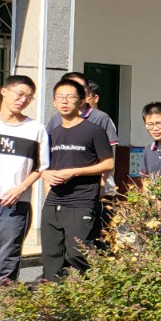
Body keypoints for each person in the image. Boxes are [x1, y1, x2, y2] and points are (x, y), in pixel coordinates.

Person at [38, 78, 114, 280]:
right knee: (52, 254)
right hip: (54, 201)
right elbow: (42, 166)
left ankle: (96, 287)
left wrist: (75, 172)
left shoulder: (93, 131)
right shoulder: (51, 134)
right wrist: (46, 175)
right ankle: (54, 300)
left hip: (81, 201)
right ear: (54, 102)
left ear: (81, 102)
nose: (64, 101)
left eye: (70, 97)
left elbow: (108, 164)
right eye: (60, 97)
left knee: (78, 252)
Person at [0, 74, 47, 286]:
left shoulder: (36, 129)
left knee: (8, 253)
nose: (23, 100)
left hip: (15, 201)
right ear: (4, 91)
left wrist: (21, 188)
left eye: (29, 97)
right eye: (20, 94)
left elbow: (41, 166)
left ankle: (4, 302)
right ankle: (12, 294)